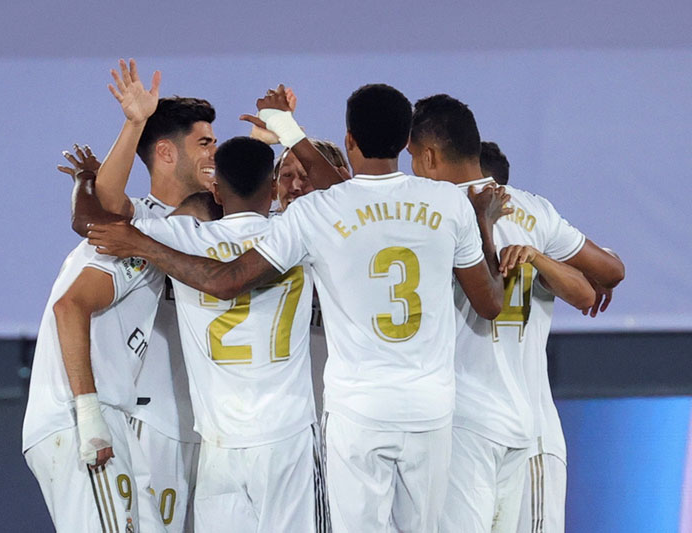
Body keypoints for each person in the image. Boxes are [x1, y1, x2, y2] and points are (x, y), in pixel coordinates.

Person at [86, 83, 511, 532]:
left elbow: (227, 279)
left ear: (349, 140)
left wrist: (139, 241)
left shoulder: (314, 214)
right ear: (407, 140)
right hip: (425, 410)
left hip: (349, 415)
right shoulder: (448, 203)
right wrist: (484, 225)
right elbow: (489, 303)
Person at [74, 136, 327, 532]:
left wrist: (86, 180)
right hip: (287, 440)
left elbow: (88, 222)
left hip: (218, 446)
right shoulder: (297, 233)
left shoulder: (183, 236)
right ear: (273, 188)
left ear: (217, 190)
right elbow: (347, 200)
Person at [408, 93, 598, 532]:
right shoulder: (535, 211)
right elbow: (605, 276)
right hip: (518, 422)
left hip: (464, 420)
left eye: (413, 156)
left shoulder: (428, 211)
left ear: (430, 156)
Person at [67, 58, 218, 532]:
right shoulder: (143, 221)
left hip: (215, 425)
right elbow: (105, 205)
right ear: (167, 153)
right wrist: (134, 123)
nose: (215, 154)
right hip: (156, 422)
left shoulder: (222, 216)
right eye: (205, 143)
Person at [22, 145, 166, 532]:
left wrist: (86, 179)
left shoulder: (144, 236)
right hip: (83, 415)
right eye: (205, 143)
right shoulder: (130, 241)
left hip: (113, 414)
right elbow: (69, 307)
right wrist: (88, 415)